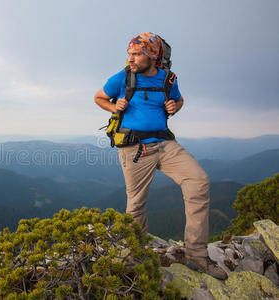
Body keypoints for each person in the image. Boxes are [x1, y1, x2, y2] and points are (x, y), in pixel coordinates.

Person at [94, 32, 227, 280]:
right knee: (136, 205)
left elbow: (179, 99)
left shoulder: (168, 79)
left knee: (198, 181)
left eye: (137, 54)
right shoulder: (122, 77)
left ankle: (197, 256)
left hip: (165, 143)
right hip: (134, 148)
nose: (130, 59)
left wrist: (175, 106)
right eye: (129, 53)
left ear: (153, 56)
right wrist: (115, 106)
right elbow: (99, 97)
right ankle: (134, 259)